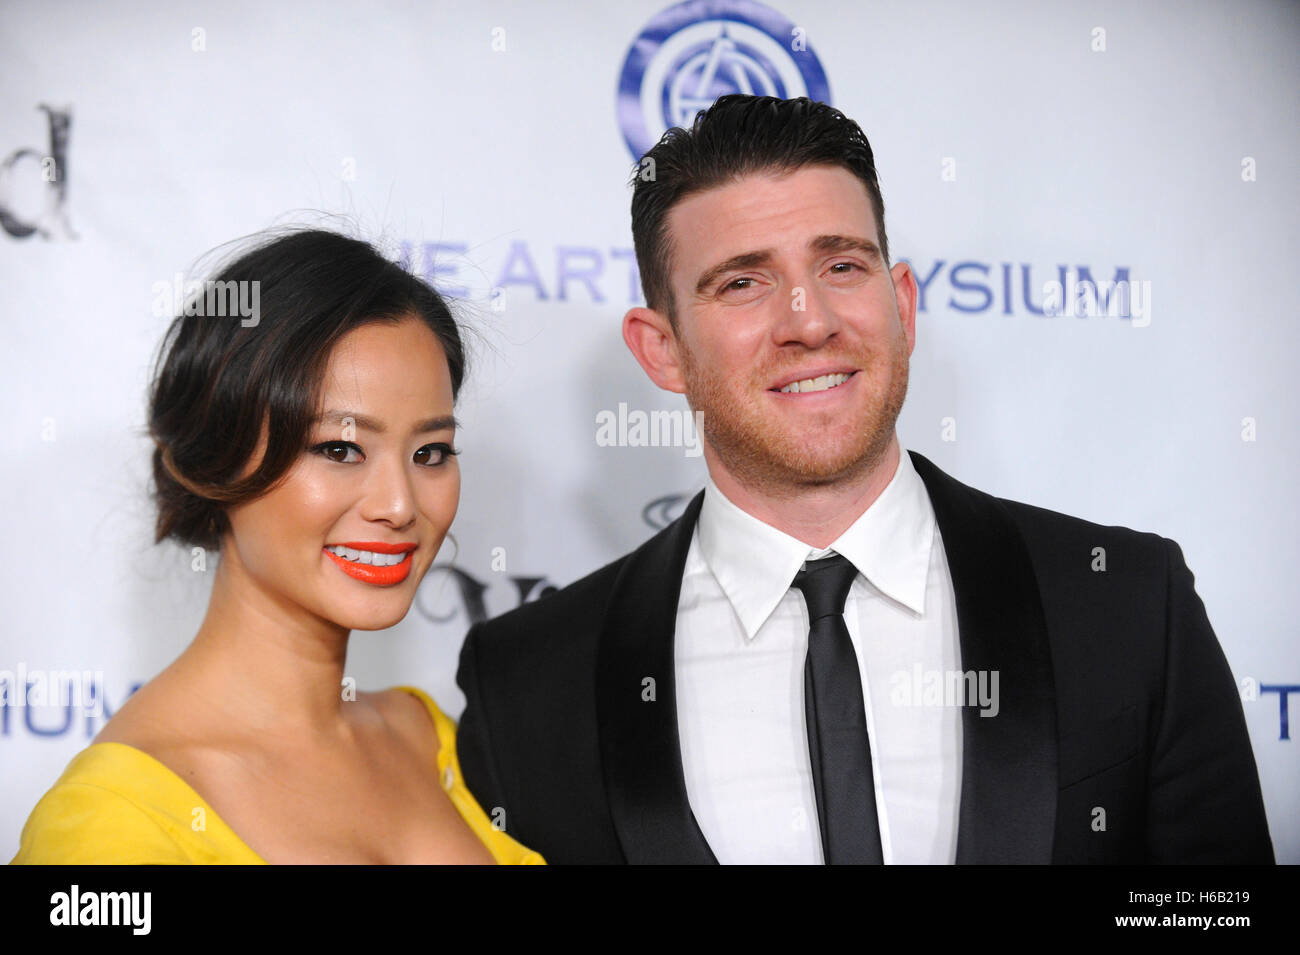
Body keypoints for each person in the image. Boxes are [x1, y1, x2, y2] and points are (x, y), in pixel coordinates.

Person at [454, 95, 1275, 864]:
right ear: (662, 351)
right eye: (743, 282)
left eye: (842, 266)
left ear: (903, 304)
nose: (809, 320)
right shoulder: (530, 680)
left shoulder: (1127, 604)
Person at [12, 229, 544, 864]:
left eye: (430, 453)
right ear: (218, 457)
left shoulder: (427, 738)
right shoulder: (110, 827)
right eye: (340, 449)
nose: (400, 505)